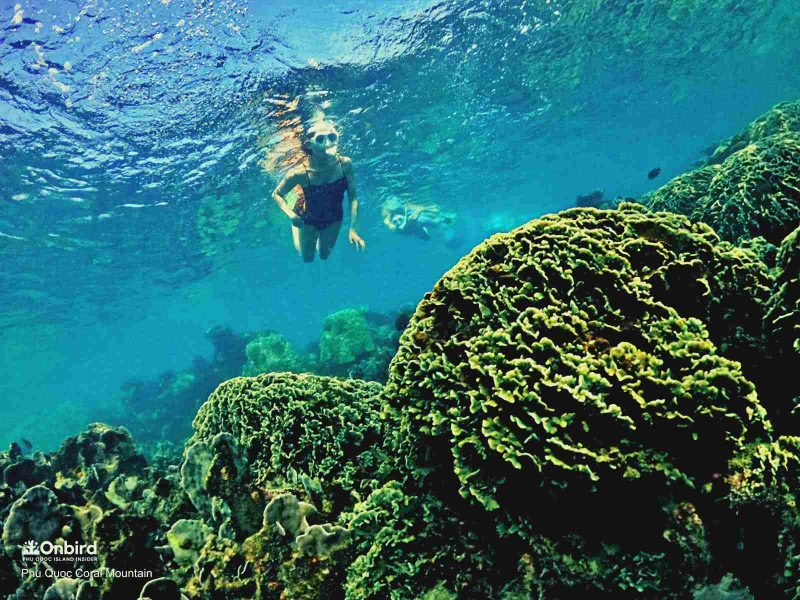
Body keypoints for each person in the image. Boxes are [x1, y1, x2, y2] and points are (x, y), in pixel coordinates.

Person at [271, 120, 366, 261]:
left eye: (332, 137)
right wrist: (291, 215)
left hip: (334, 217)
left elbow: (353, 197)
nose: (328, 143)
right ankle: (296, 214)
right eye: (320, 139)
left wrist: (353, 228)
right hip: (308, 218)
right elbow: (276, 194)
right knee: (307, 258)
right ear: (309, 144)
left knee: (324, 256)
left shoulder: (345, 164)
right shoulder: (299, 173)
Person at [381, 198, 455, 241]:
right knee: (426, 238)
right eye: (396, 221)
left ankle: (444, 218)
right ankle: (442, 218)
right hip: (414, 227)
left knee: (434, 223)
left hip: (417, 223)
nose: (397, 220)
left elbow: (420, 209)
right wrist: (430, 209)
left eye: (398, 219)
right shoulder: (406, 221)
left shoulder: (410, 218)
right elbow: (421, 209)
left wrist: (431, 210)